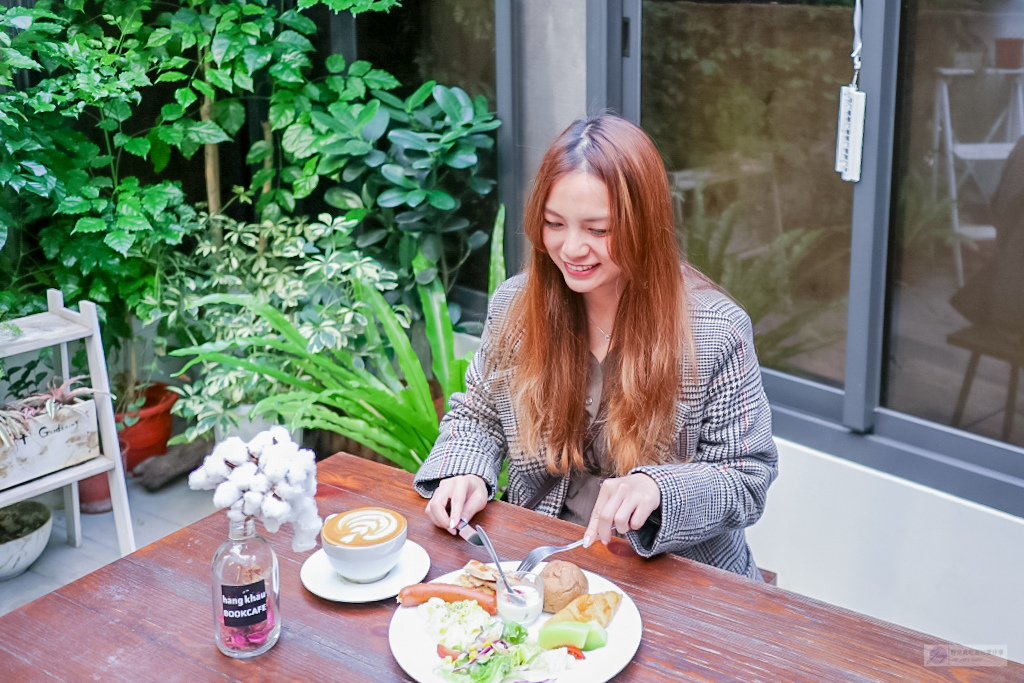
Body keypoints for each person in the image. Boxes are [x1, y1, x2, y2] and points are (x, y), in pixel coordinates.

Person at [413, 114, 778, 579]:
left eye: (598, 230)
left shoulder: (715, 331)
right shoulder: (516, 307)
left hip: (673, 574)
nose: (571, 248)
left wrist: (659, 490)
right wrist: (464, 471)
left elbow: (747, 477)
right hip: (541, 556)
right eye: (554, 224)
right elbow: (478, 416)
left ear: (643, 225)